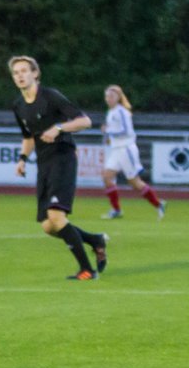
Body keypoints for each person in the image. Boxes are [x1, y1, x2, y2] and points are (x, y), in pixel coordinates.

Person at [9, 56, 109, 280]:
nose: (20, 75)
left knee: (56, 216)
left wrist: (59, 128)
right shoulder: (18, 105)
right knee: (48, 226)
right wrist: (22, 158)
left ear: (36, 74)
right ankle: (95, 240)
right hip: (43, 163)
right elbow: (28, 137)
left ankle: (87, 270)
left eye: (25, 71)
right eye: (16, 72)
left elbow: (85, 121)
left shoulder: (50, 96)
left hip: (62, 158)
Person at [100, 84, 166, 220]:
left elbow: (126, 131)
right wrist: (108, 138)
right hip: (116, 150)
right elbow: (113, 132)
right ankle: (116, 210)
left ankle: (159, 204)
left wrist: (108, 131)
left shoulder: (122, 112)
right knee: (107, 177)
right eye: (107, 96)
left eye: (111, 96)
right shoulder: (110, 112)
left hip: (126, 149)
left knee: (135, 183)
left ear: (118, 97)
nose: (108, 99)